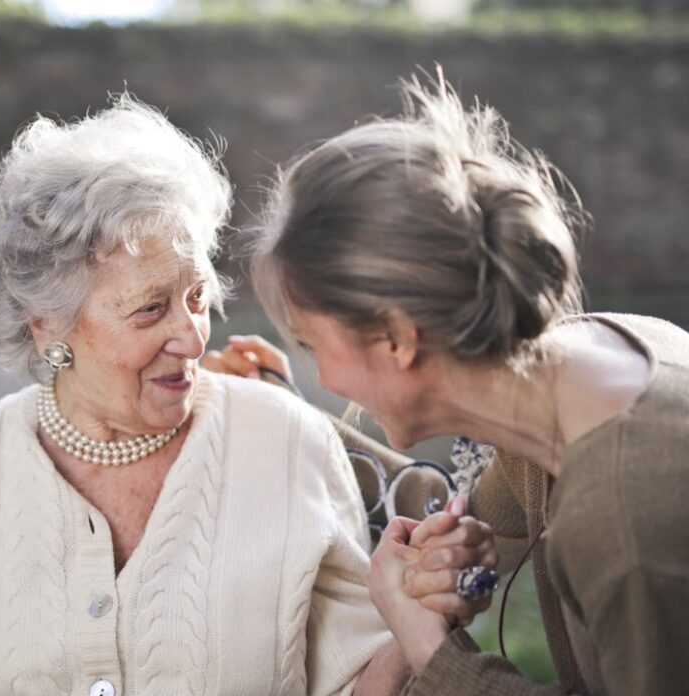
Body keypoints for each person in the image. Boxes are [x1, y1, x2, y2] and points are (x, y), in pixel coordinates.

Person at [0, 94, 491, 696]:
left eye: (196, 298)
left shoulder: (287, 439)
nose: (192, 339)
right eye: (150, 309)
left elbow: (356, 686)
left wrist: (416, 619)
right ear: (46, 324)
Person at [246, 71, 689, 695]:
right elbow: (464, 530)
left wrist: (433, 648)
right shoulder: (587, 363)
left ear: (396, 337)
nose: (326, 377)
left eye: (314, 345)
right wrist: (453, 561)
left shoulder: (622, 516)